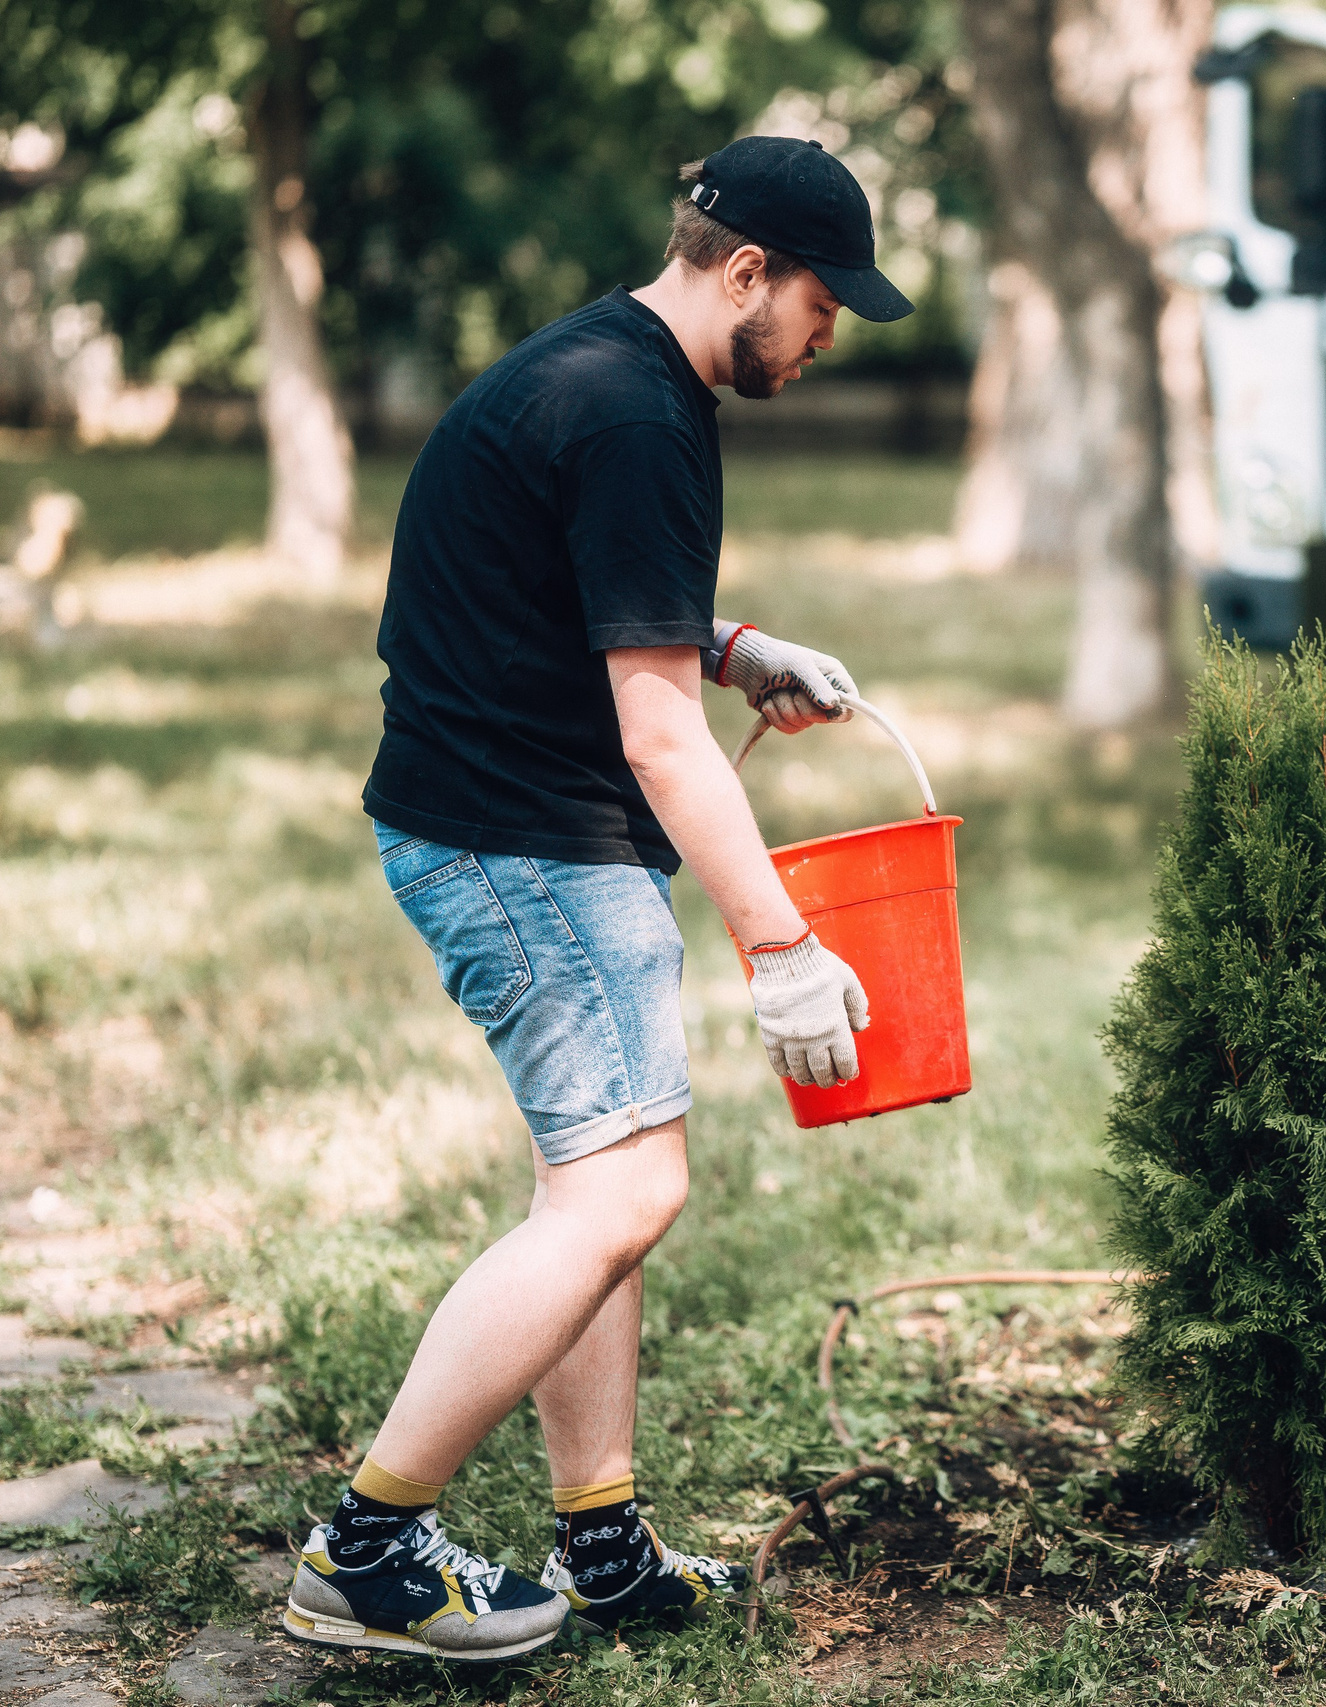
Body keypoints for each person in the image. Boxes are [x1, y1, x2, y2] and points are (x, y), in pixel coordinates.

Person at [288, 136, 914, 1662]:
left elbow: (569, 582)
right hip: (523, 844)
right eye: (825, 303)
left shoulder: (597, 370)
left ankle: (605, 1544)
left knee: (598, 1195)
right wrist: (780, 940)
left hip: (519, 829)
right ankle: (365, 1552)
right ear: (747, 270)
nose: (830, 337)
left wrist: (729, 640)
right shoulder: (640, 412)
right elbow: (653, 735)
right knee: (629, 1192)